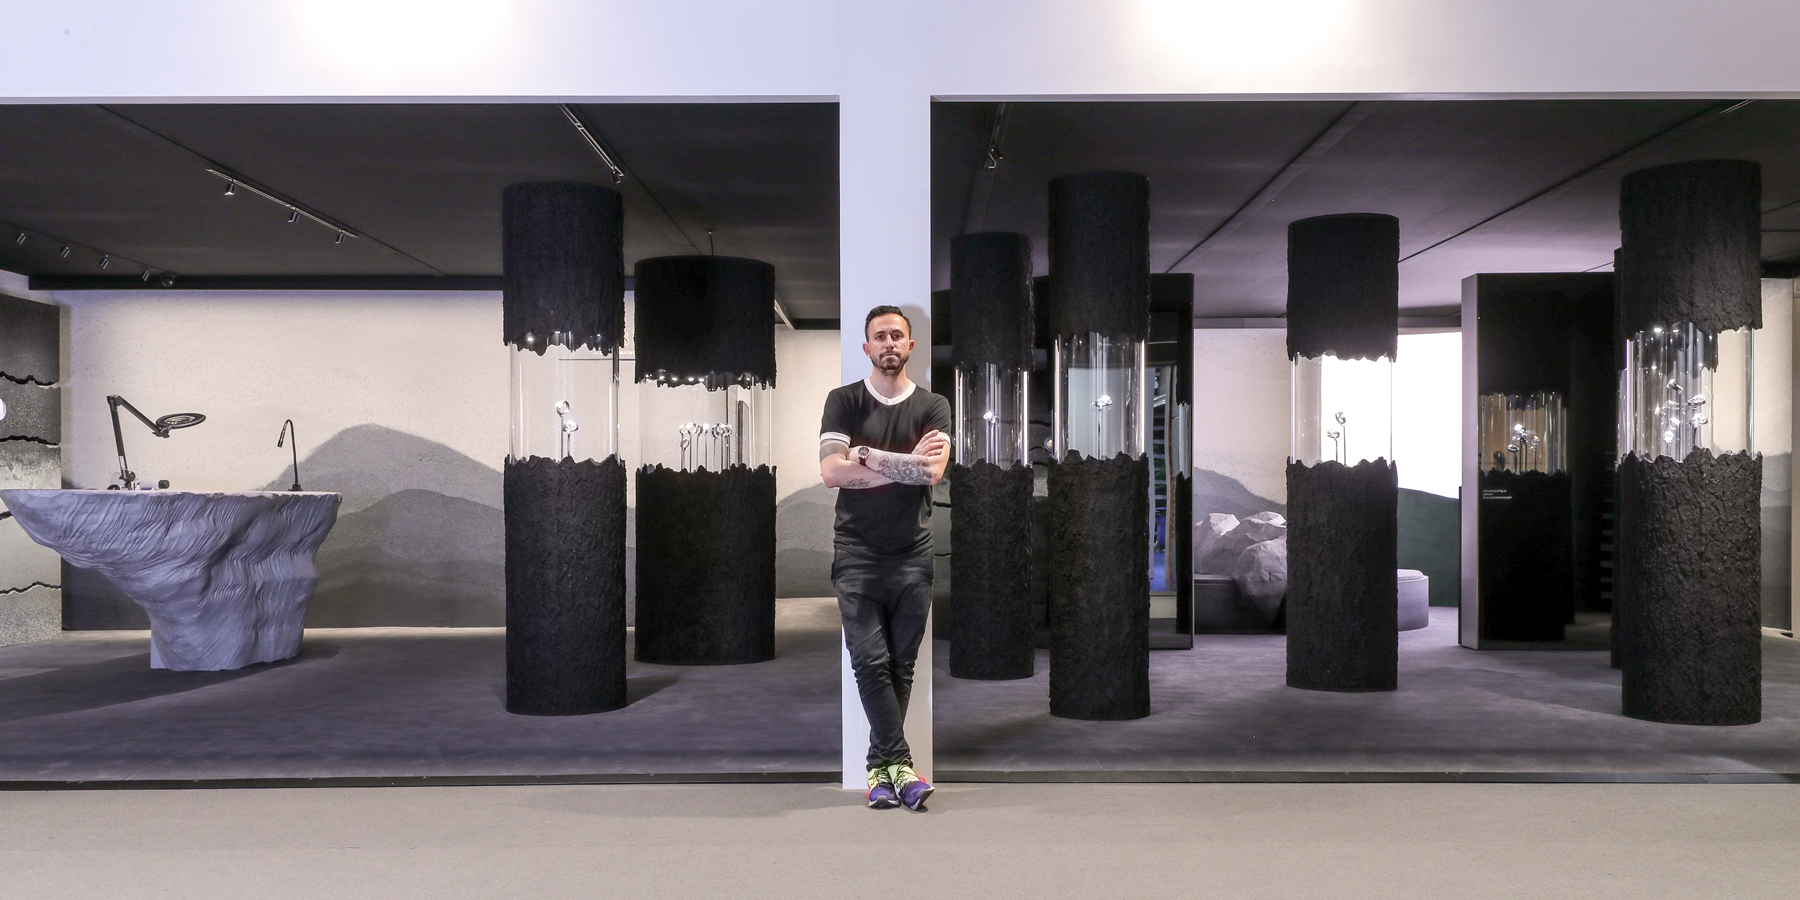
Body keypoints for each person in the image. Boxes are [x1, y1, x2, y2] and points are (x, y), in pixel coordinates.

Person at [818, 305, 952, 810]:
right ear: (867, 347)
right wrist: (904, 464)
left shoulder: (934, 406)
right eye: (880, 336)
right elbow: (831, 473)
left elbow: (931, 474)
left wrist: (865, 456)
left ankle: (880, 772)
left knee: (902, 665)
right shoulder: (843, 401)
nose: (889, 343)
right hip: (856, 553)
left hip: (914, 555)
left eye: (897, 335)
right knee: (869, 662)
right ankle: (902, 767)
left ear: (910, 345)